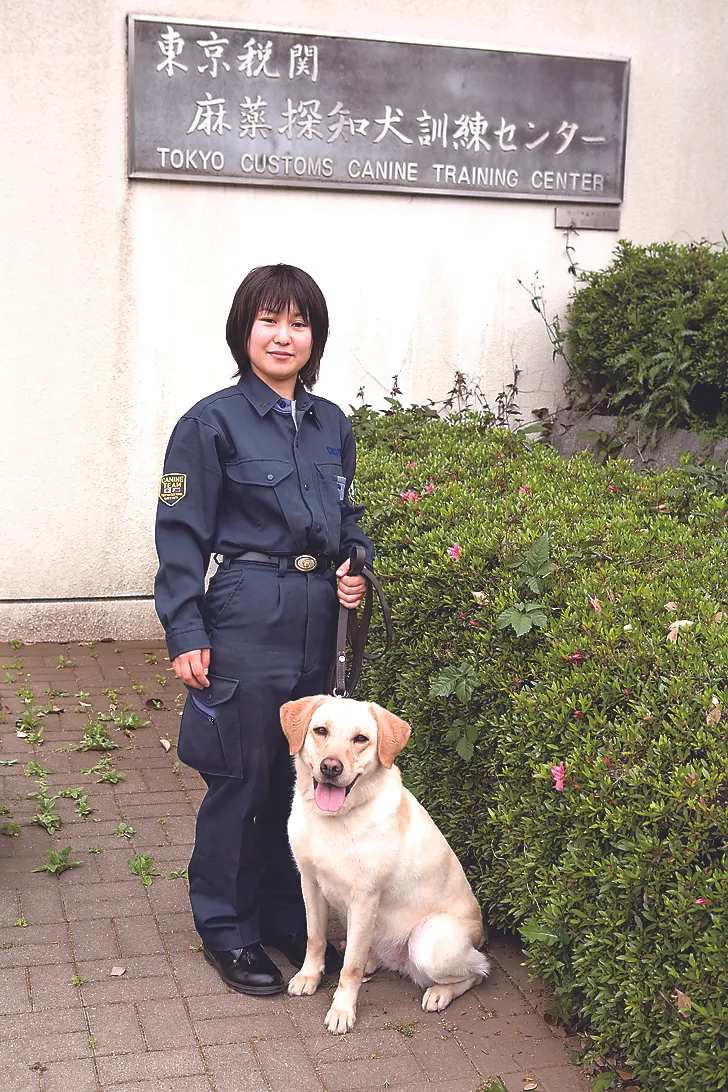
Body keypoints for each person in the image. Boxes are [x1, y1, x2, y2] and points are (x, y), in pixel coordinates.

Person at [154, 264, 373, 996]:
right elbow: (179, 535)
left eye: (299, 323)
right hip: (247, 608)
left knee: (308, 776)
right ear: (243, 329)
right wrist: (185, 628)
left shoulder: (332, 424)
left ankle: (286, 916)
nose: (284, 336)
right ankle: (226, 928)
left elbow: (347, 521)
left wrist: (356, 566)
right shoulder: (209, 423)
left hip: (318, 612)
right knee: (242, 777)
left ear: (316, 337)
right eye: (269, 320)